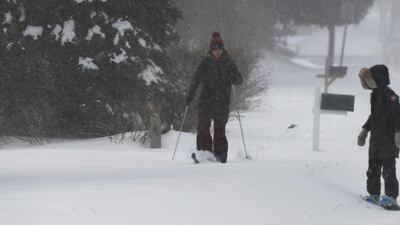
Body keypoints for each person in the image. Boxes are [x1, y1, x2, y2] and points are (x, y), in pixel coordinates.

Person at [185, 32, 243, 163]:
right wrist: (190, 95)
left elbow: (239, 79)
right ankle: (204, 153)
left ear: (223, 49)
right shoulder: (205, 62)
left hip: (222, 101)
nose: (218, 51)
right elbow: (196, 80)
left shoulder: (229, 62)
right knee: (202, 127)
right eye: (215, 49)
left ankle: (220, 156)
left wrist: (230, 77)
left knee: (219, 130)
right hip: (206, 100)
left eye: (220, 48)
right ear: (211, 49)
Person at [358, 64, 400, 208]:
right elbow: (373, 116)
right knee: (372, 169)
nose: (368, 83)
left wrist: (398, 133)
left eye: (370, 79)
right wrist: (364, 130)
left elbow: (397, 115)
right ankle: (373, 194)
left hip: (388, 139)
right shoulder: (374, 95)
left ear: (379, 78)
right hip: (376, 140)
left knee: (388, 171)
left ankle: (391, 197)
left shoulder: (391, 95)